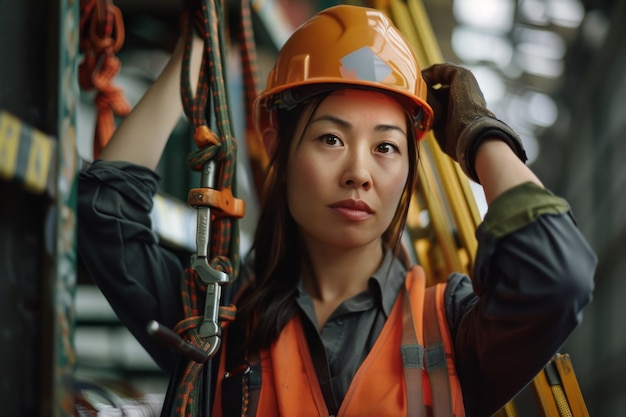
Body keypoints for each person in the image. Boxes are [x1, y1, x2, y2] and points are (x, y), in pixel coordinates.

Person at [77, 4, 596, 417]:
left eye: (386, 147)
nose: (359, 172)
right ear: (276, 141)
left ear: (409, 167)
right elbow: (106, 215)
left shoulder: (456, 331)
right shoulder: (214, 326)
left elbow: (559, 277)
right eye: (331, 138)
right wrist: (201, 44)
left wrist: (480, 136)